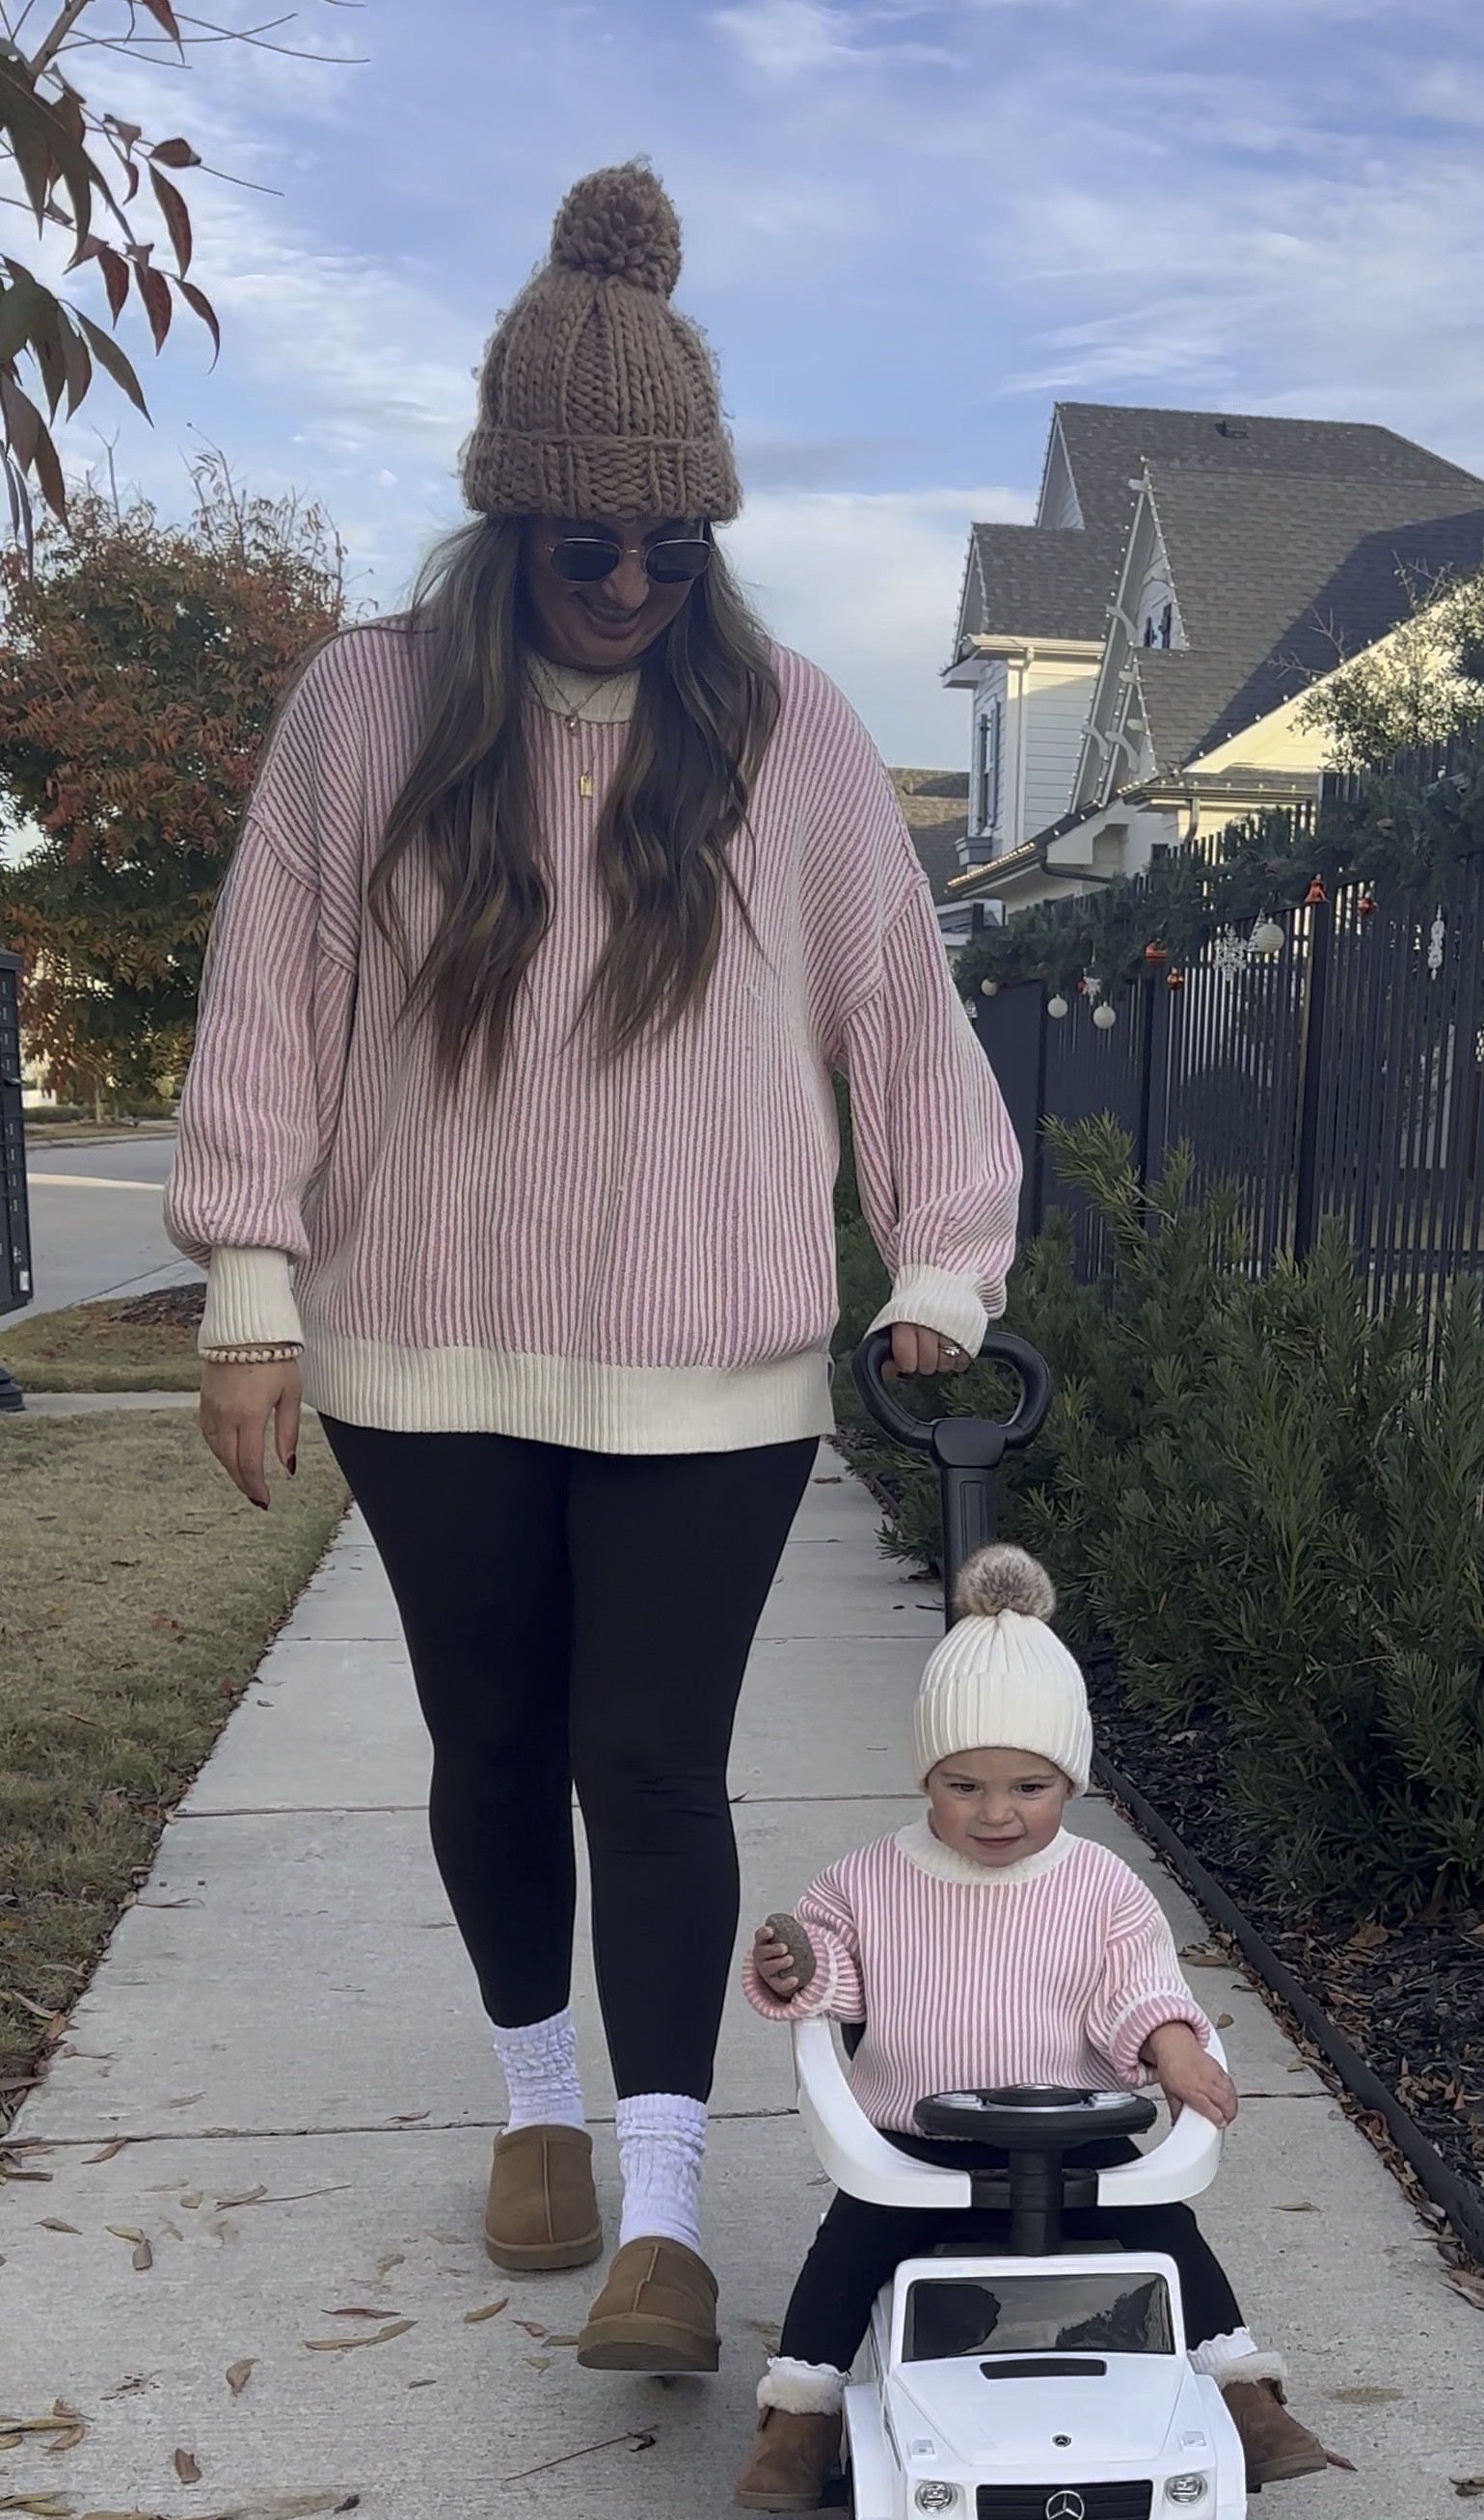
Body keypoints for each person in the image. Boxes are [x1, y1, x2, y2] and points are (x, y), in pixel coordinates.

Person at [169, 163, 1019, 2381]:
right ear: (508, 519)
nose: (632, 581)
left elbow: (901, 1014)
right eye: (587, 542)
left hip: (712, 1360)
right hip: (421, 1334)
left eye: (671, 541)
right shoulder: (360, 716)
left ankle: (659, 2208)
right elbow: (266, 1000)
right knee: (487, 1731)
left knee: (648, 1759)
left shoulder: (790, 731)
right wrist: (249, 1291)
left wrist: (941, 1252)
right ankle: (530, 2098)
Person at [734, 1546, 1328, 2508]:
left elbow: (1135, 1986)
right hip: (918, 2137)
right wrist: (797, 1966)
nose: (997, 1814)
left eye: (1029, 1788)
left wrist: (1173, 2047)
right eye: (964, 1786)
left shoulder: (1098, 1885)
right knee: (849, 2248)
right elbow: (837, 1978)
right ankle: (798, 2421)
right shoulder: (870, 1880)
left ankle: (1246, 2397)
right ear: (927, 1777)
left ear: (1073, 1781)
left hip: (1075, 2129)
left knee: (1164, 2231)